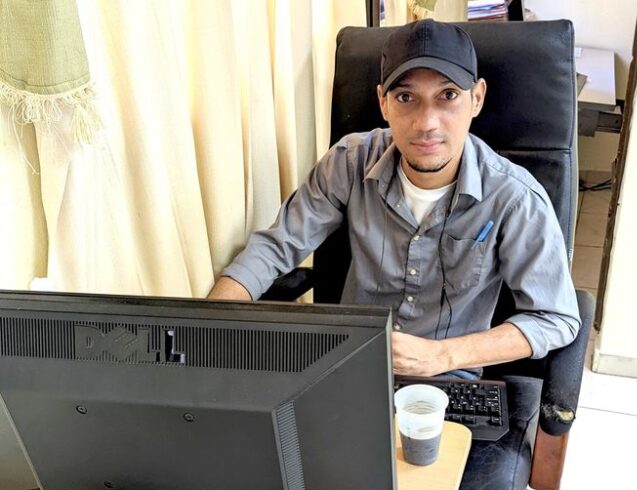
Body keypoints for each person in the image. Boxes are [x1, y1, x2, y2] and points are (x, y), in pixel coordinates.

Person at [208, 19, 581, 378]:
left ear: (477, 98)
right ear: (383, 103)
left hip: (446, 380)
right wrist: (208, 324)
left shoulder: (515, 198)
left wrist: (441, 356)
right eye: (406, 97)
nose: (426, 123)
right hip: (348, 365)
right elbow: (276, 247)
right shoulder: (350, 162)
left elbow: (556, 318)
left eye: (448, 95)